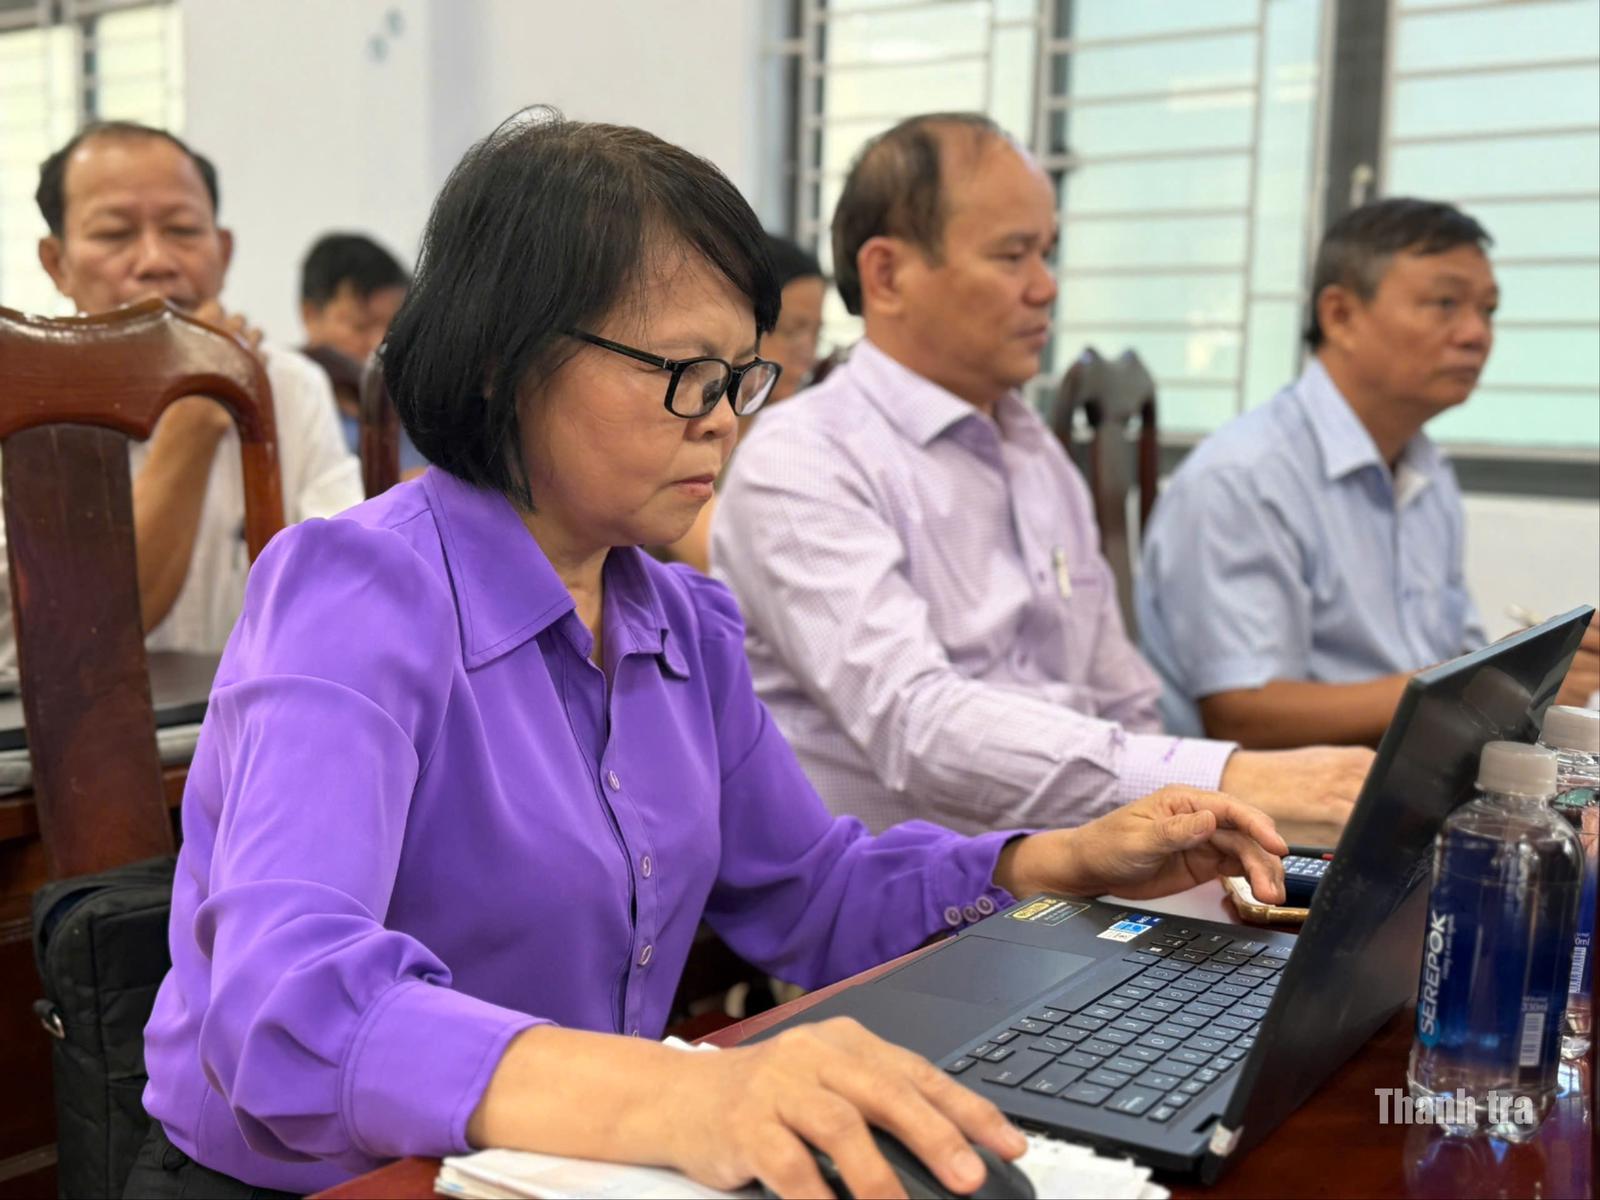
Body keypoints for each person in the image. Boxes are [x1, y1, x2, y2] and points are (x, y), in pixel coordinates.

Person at [130, 110, 1290, 1200]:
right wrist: (686, 1093)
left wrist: (1056, 863)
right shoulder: (356, 591)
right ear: (501, 359)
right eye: (684, 373)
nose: (723, 418)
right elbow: (286, 1004)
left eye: (741, 377)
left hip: (567, 1165)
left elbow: (811, 891)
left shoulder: (678, 623)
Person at [711, 112, 1371, 841]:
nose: (1045, 287)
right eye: (1012, 256)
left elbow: (1122, 698)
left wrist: (1187, 833)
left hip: (1088, 868)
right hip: (924, 894)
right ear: (888, 275)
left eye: (1046, 254)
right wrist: (1221, 779)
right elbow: (920, 729)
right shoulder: (803, 459)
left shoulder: (1035, 452)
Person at [1137, 198, 1600, 748]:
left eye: (1488, 310)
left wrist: (1525, 671)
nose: (1476, 333)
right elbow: (1244, 714)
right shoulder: (1244, 475)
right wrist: (1488, 683)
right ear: (1340, 316)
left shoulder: (1426, 469)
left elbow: (1451, 656)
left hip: (1402, 769)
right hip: (1277, 793)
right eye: (1445, 303)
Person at [0, 121, 361, 668]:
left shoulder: (288, 386)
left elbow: (346, 595)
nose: (156, 262)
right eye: (115, 234)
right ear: (57, 264)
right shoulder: (21, 403)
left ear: (224, 251)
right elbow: (60, 643)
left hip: (257, 715)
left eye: (183, 230)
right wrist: (193, 421)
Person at [660, 231, 825, 572]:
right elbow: (720, 560)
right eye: (792, 330)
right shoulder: (688, 423)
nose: (808, 352)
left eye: (816, 332)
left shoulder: (804, 438)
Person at [298, 231, 427, 477]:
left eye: (394, 327)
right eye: (360, 326)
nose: (379, 342)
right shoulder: (283, 402)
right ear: (310, 315)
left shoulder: (419, 408)